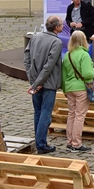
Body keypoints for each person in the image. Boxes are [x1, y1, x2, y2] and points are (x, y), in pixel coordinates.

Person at [23, 15, 64, 154]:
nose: (63, 26)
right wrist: (37, 82)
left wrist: (33, 80)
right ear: (56, 27)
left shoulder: (35, 37)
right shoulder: (56, 42)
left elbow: (26, 57)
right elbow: (49, 66)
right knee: (45, 113)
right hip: (48, 83)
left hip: (36, 81)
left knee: (38, 112)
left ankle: (40, 141)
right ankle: (41, 144)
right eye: (61, 25)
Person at [62, 30, 94, 152]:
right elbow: (87, 74)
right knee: (79, 116)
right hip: (81, 88)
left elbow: (64, 74)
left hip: (69, 87)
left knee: (71, 114)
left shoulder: (68, 55)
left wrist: (65, 89)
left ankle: (69, 141)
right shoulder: (84, 55)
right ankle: (77, 143)